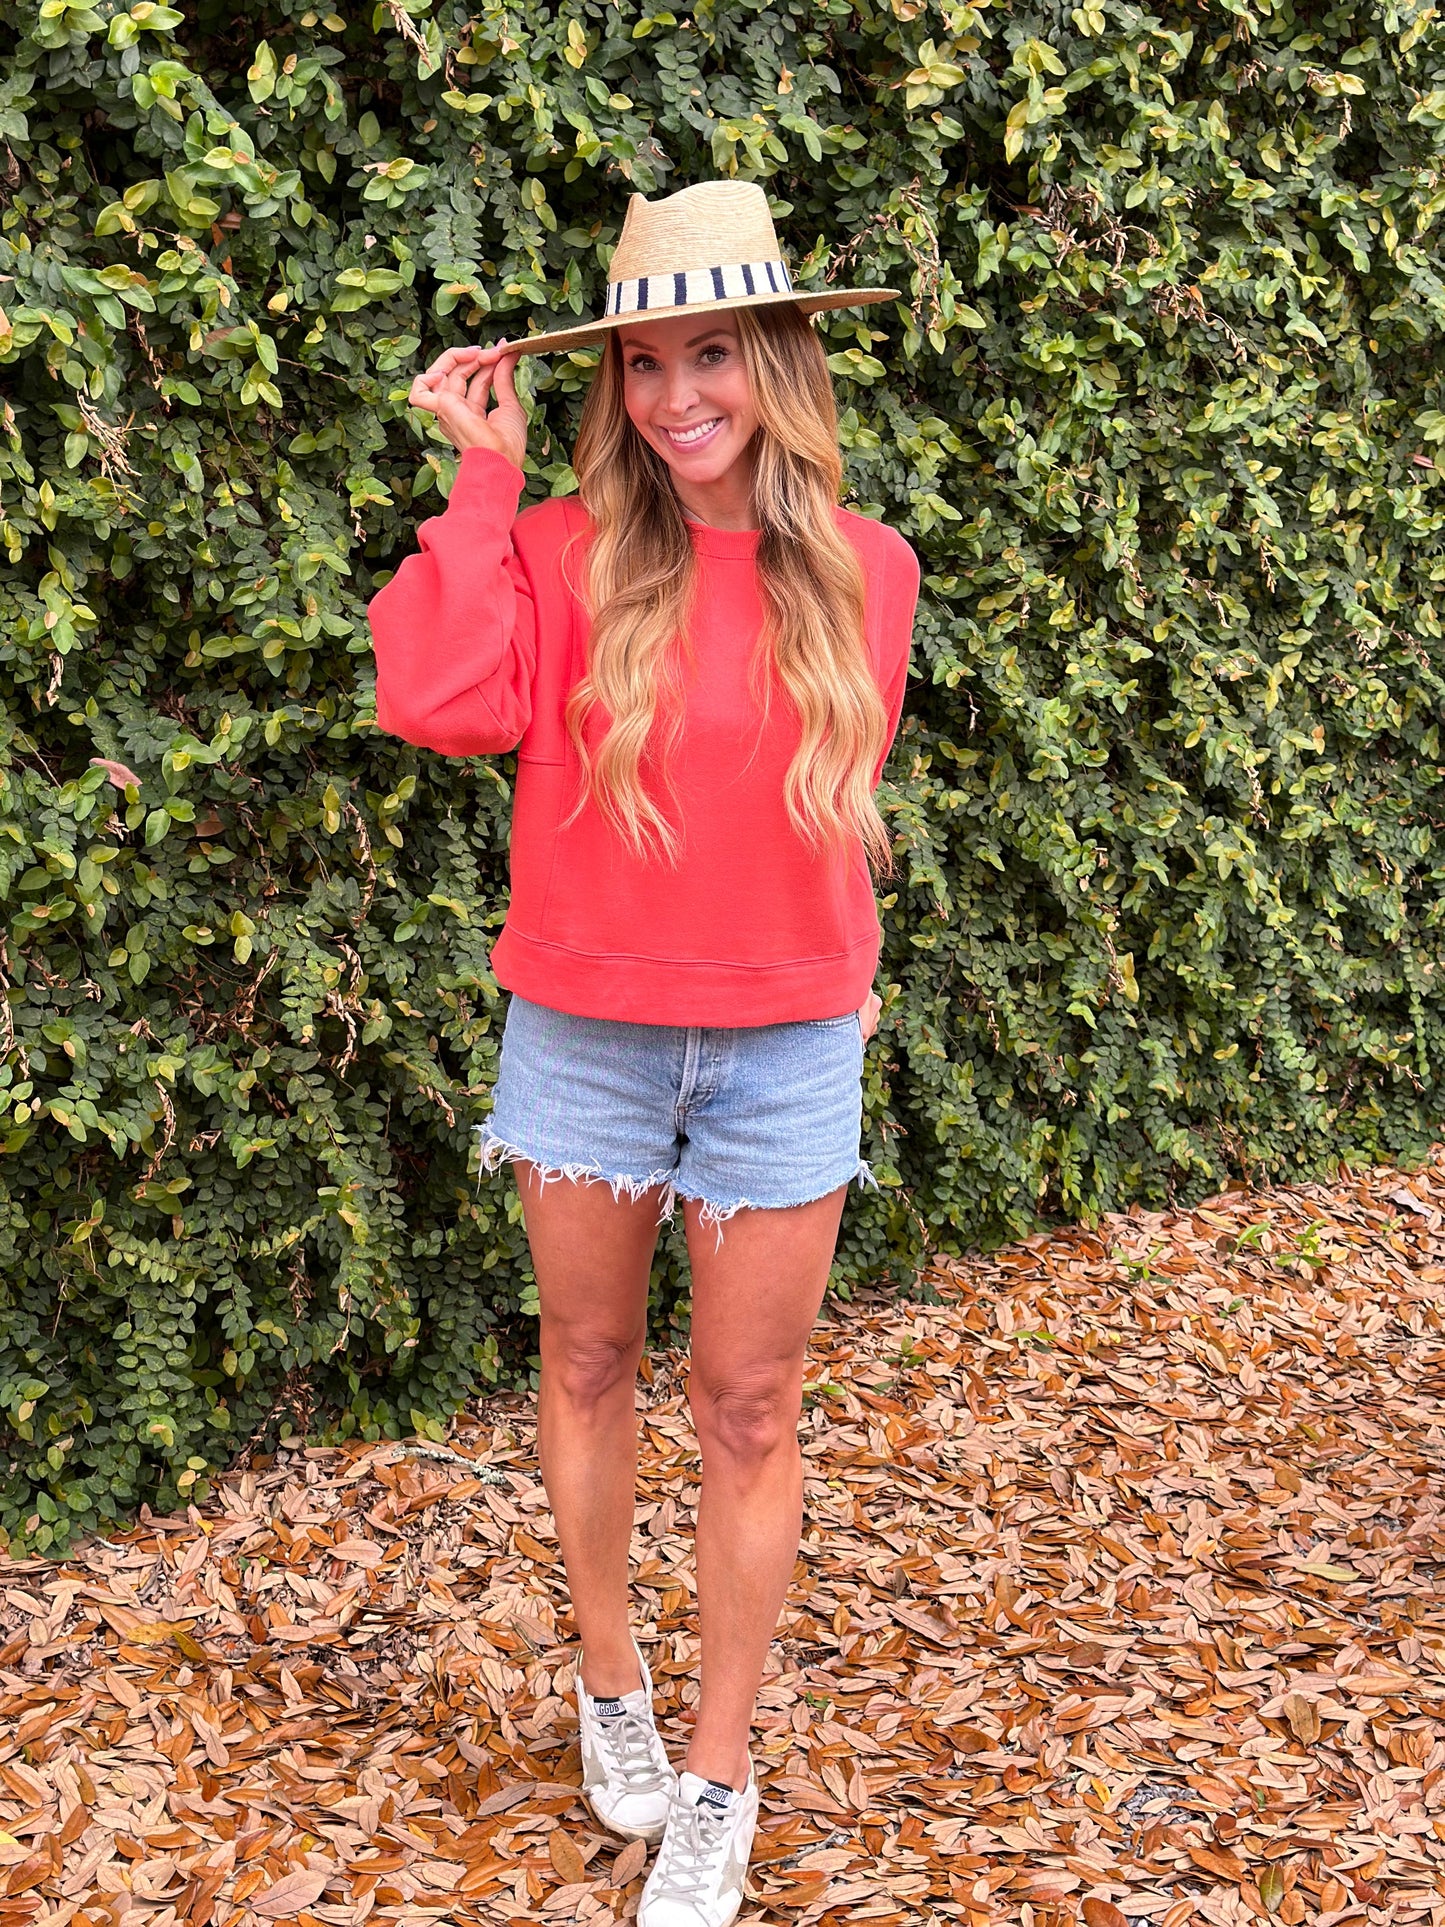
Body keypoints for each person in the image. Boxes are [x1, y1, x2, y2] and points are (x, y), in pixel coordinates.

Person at [367, 178, 920, 1927]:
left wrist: (847, 977)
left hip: (785, 1045)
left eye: (714, 354)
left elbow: (833, 808)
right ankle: (611, 1680)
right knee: (588, 1358)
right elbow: (439, 705)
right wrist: (479, 478)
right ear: (610, 383)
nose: (679, 394)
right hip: (586, 1032)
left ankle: (718, 1775)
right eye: (645, 363)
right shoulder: (554, 548)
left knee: (748, 1406)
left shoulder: (867, 569)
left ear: (776, 365)